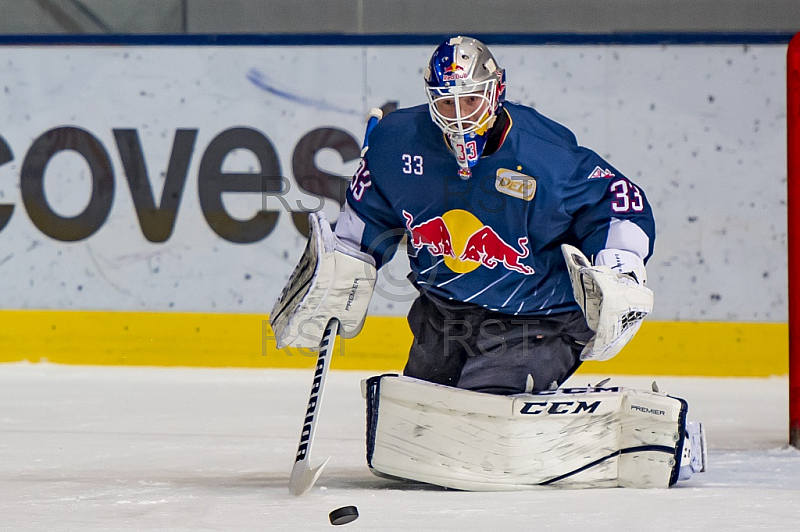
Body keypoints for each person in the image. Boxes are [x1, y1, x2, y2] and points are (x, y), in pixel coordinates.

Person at [332, 35, 655, 395]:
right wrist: (343, 264)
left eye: (470, 100)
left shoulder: (543, 155)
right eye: (446, 103)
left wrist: (620, 266)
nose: (459, 116)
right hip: (444, 315)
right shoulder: (396, 142)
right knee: (419, 417)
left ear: (495, 90)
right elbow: (367, 213)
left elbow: (619, 200)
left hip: (538, 320)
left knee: (485, 412)